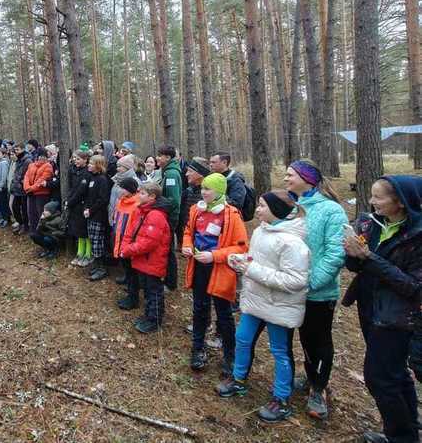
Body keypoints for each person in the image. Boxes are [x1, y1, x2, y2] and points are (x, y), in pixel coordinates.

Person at [217, 190, 310, 423]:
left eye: (262, 206)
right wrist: (241, 261)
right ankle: (238, 379)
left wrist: (252, 270)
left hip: (279, 307)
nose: (257, 210)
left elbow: (296, 280)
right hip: (256, 300)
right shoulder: (260, 231)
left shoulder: (292, 242)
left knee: (279, 351)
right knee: (243, 338)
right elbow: (256, 261)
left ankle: (281, 399)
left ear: (276, 211)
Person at [343, 176, 422, 443]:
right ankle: (409, 428)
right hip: (371, 307)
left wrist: (368, 257)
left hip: (398, 317)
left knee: (379, 379)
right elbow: (358, 267)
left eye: (379, 197)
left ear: (400, 202)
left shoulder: (417, 235)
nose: (371, 202)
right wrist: (352, 252)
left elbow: (413, 286)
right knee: (395, 373)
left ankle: (400, 437)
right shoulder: (375, 223)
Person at [284, 160, 347, 420]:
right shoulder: (290, 206)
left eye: (290, 175)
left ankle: (318, 388)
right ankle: (308, 376)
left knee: (317, 341)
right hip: (287, 290)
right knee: (292, 338)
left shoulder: (331, 211)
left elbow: (335, 253)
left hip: (317, 293)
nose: (286, 179)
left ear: (307, 179)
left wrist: (310, 283)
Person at [182, 172, 249, 375]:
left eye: (207, 189)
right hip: (199, 267)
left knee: (224, 314)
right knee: (199, 309)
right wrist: (187, 245)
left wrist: (214, 256)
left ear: (219, 191)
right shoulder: (196, 210)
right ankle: (198, 349)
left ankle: (230, 355)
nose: (203, 192)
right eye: (202, 188)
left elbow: (241, 248)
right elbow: (187, 231)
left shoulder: (231, 215)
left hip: (220, 269)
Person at [120, 181, 173, 333]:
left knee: (154, 291)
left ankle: (154, 320)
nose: (138, 195)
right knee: (148, 290)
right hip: (143, 259)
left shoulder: (155, 215)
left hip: (152, 260)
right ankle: (148, 316)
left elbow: (149, 242)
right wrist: (125, 247)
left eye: (142, 193)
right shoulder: (141, 210)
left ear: (152, 197)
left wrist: (129, 250)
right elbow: (132, 232)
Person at [107, 154, 141, 283]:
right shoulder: (117, 179)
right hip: (117, 216)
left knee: (126, 249)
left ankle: (130, 277)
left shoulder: (133, 181)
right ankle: (126, 274)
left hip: (127, 223)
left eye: (120, 166)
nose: (117, 169)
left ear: (127, 167)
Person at [112, 177, 141, 308]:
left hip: (129, 244)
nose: (119, 190)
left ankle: (133, 298)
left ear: (130, 190)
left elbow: (136, 229)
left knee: (132, 271)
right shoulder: (121, 202)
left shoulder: (136, 206)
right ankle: (130, 290)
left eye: (122, 188)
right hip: (120, 242)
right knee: (127, 269)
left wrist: (130, 245)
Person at [157, 145, 182, 290]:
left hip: (168, 218)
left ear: (167, 157)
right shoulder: (166, 172)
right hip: (165, 216)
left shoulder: (171, 174)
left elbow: (173, 200)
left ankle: (170, 282)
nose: (157, 158)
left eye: (160, 156)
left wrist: (158, 206)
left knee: (168, 249)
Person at [83, 155, 111, 270]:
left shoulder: (102, 179)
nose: (88, 165)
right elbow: (89, 196)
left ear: (98, 165)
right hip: (90, 214)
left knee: (97, 241)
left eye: (91, 163)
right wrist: (86, 208)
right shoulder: (92, 177)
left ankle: (102, 268)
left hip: (98, 216)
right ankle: (96, 264)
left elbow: (103, 199)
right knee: (92, 239)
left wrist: (90, 210)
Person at [67, 150, 92, 266]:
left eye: (78, 159)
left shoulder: (87, 173)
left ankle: (88, 254)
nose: (75, 161)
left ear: (85, 160)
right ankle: (80, 252)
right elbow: (71, 188)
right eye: (74, 159)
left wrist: (71, 201)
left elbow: (81, 191)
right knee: (78, 230)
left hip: (83, 205)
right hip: (74, 205)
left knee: (85, 231)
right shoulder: (73, 171)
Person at [23, 147, 54, 233]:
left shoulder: (48, 166)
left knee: (40, 214)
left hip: (41, 194)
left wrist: (31, 188)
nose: (42, 158)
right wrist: (26, 187)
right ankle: (33, 232)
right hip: (30, 193)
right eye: (40, 156)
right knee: (31, 214)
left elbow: (42, 179)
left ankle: (42, 233)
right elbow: (26, 177)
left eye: (44, 156)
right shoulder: (31, 165)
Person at [10, 143, 31, 234]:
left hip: (23, 189)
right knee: (15, 207)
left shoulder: (27, 160)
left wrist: (22, 182)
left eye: (18, 150)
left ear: (22, 149)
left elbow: (27, 174)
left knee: (24, 209)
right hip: (17, 189)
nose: (16, 152)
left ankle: (25, 226)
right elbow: (16, 173)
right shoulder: (18, 160)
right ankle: (20, 223)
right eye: (15, 150)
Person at [0, 148, 10, 227]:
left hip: (1, 187)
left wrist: (1, 185)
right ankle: (3, 218)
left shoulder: (4, 163)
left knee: (4, 204)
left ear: (3, 154)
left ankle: (7, 219)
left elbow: (4, 176)